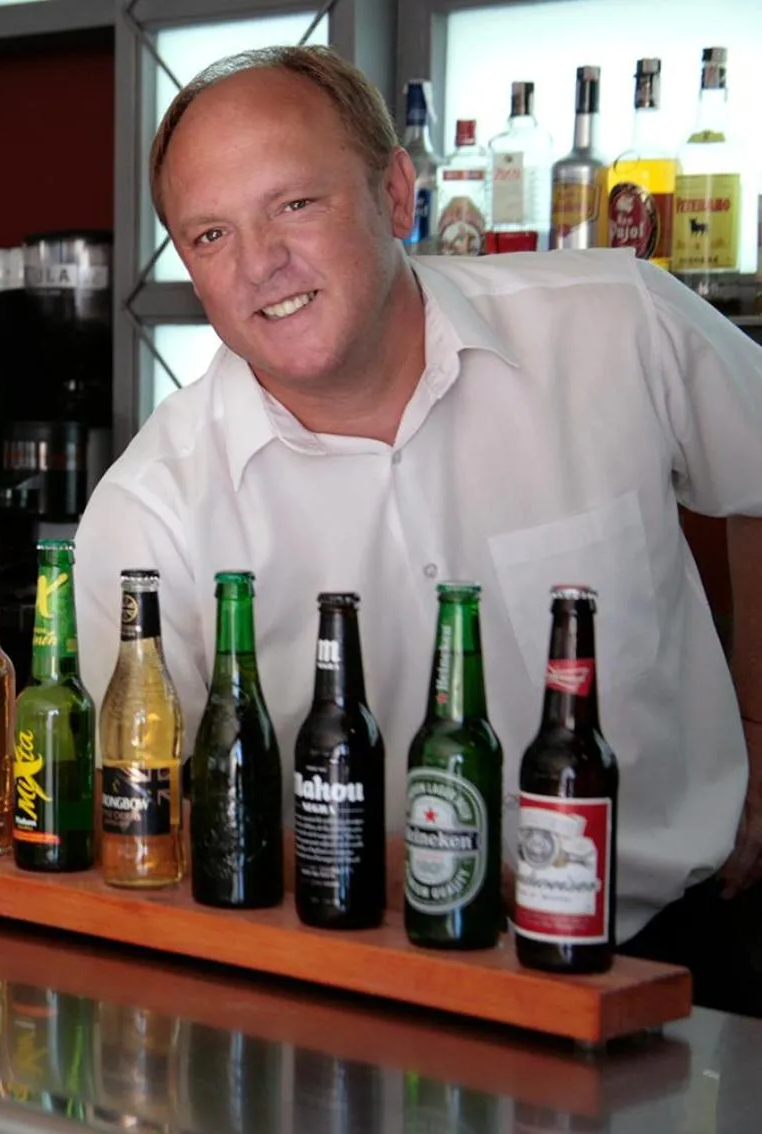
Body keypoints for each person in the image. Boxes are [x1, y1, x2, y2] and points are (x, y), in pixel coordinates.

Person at [75, 46, 762, 1012]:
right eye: (210, 234)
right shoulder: (150, 511)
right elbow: (149, 822)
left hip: (678, 948)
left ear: (396, 193)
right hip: (349, 975)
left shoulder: (617, 323)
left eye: (294, 205)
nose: (260, 264)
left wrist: (755, 728)